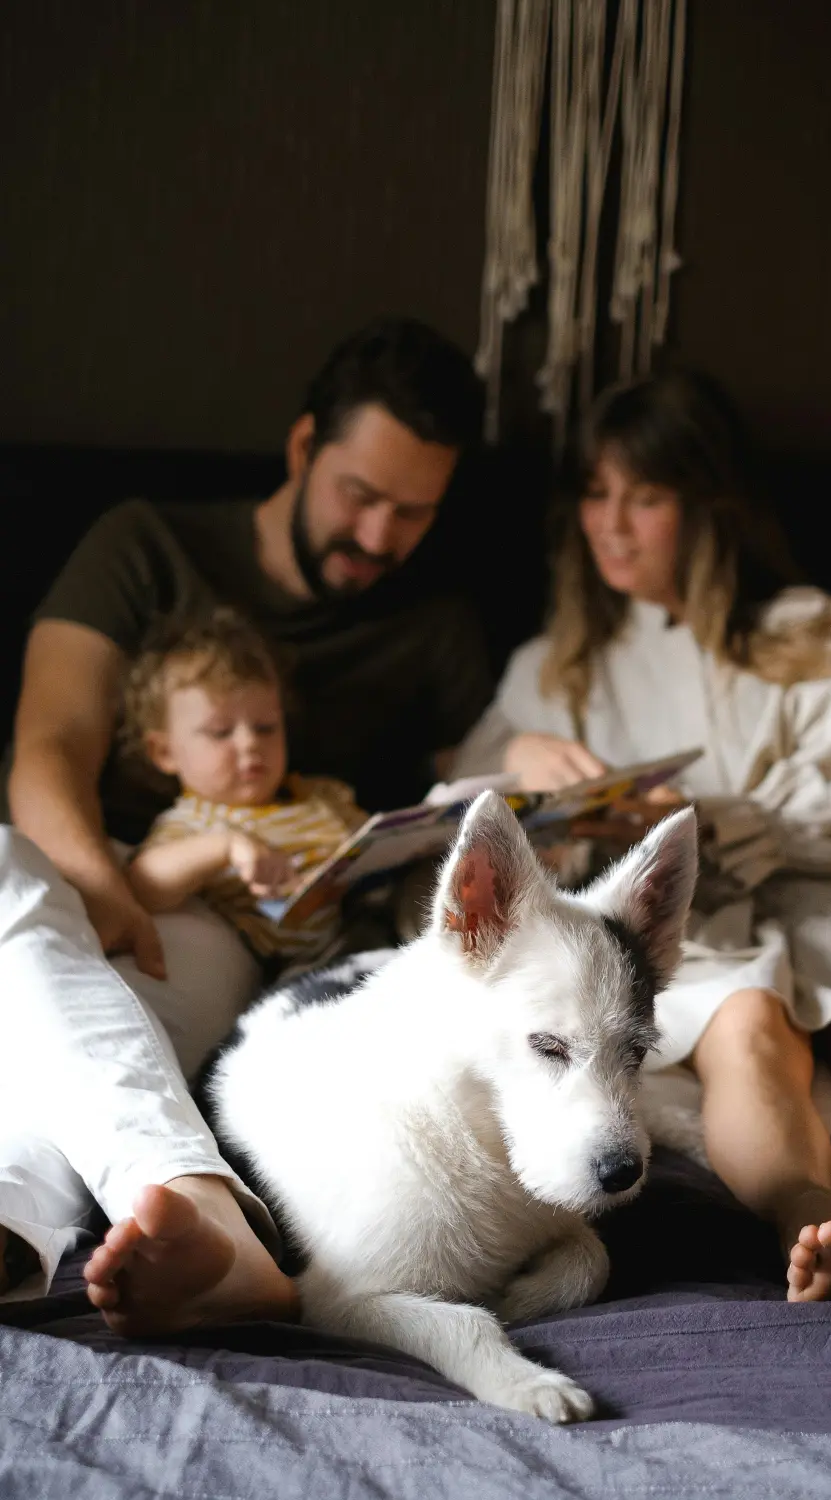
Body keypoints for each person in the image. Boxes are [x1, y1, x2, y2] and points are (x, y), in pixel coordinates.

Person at [453, 369, 831, 1301]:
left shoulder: (807, 629)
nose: (612, 524)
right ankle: (811, 1216)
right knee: (743, 1029)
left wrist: (734, 816)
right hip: (691, 919)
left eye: (647, 497)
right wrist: (525, 768)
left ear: (708, 507)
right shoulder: (554, 668)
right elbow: (461, 834)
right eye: (595, 494)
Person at [0, 317, 492, 1324]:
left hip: (227, 927)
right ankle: (199, 1211)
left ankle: (20, 1224)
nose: (377, 537)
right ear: (305, 447)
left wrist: (525, 774)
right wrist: (104, 891)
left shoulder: (437, 624)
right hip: (96, 867)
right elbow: (47, 747)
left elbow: (475, 809)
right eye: (360, 496)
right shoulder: (148, 543)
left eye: (414, 513)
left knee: (78, 1039)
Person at [123, 607, 369, 966]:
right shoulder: (194, 823)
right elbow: (143, 886)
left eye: (266, 727)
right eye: (220, 732)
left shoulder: (320, 795)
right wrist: (225, 846)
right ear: (164, 751)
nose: (250, 744)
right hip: (286, 966)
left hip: (365, 929)